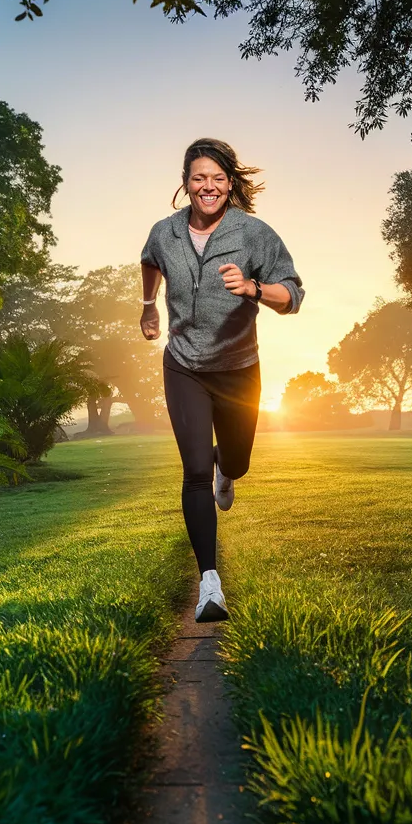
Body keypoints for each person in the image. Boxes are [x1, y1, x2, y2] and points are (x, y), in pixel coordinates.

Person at [140, 138, 304, 622]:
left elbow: (293, 295)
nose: (207, 187)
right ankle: (209, 585)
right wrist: (149, 306)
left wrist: (254, 288)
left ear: (229, 184)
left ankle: (225, 468)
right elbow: (149, 261)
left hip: (238, 371)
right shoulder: (164, 232)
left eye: (216, 178)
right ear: (185, 184)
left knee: (237, 460)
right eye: (198, 178)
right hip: (184, 366)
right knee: (192, 472)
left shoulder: (254, 234)